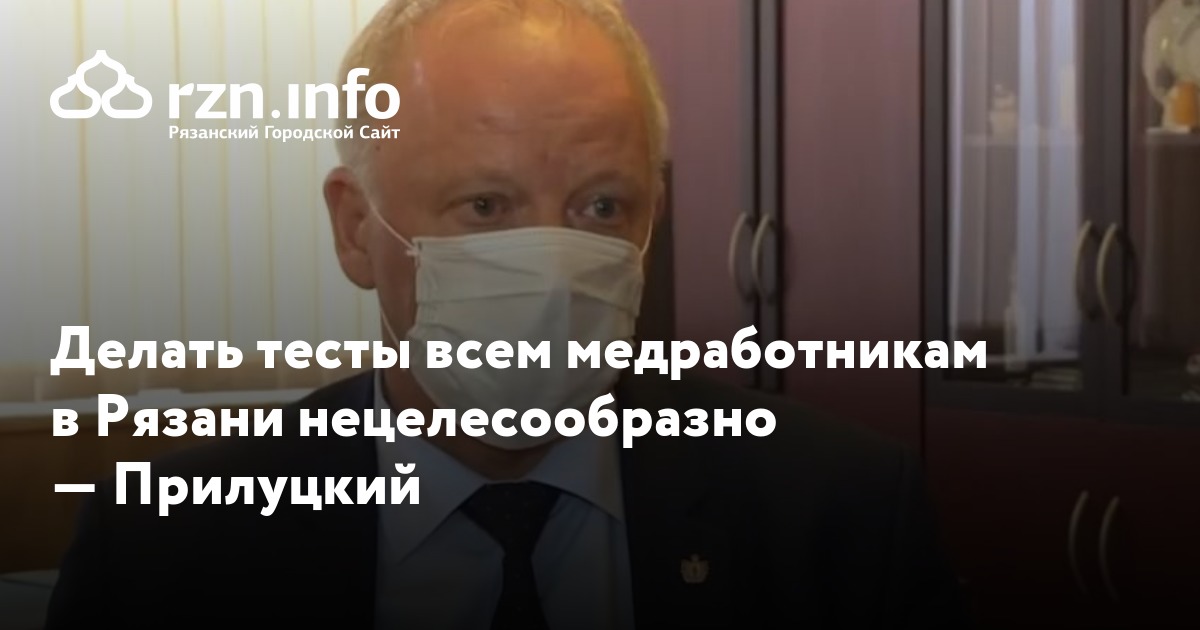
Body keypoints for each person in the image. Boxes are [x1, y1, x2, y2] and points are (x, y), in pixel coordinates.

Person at [46, 0, 966, 627]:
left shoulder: (841, 516)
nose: (556, 269)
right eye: (485, 206)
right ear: (357, 230)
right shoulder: (164, 548)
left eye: (602, 207)